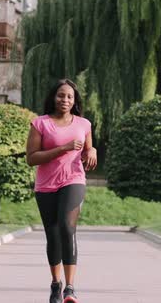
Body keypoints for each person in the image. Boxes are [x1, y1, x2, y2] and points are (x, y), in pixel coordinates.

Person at [26, 79, 97, 303]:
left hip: (74, 180)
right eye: (60, 95)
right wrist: (62, 148)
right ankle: (56, 285)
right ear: (53, 97)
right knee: (53, 234)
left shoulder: (84, 124)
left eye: (69, 96)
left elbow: (87, 150)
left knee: (67, 228)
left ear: (74, 101)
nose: (64, 100)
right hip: (46, 185)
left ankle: (70, 288)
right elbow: (32, 158)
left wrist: (92, 150)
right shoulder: (41, 124)